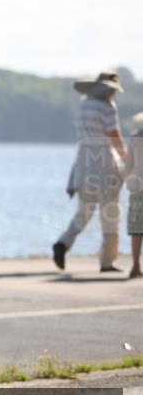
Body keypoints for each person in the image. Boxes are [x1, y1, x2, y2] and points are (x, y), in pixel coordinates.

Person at [53, 71, 129, 272]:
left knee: (84, 212)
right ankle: (107, 261)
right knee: (111, 214)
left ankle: (63, 243)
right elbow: (114, 135)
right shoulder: (107, 107)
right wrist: (126, 160)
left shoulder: (83, 104)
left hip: (83, 164)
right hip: (104, 164)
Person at [126, 112, 143, 279]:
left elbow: (129, 163)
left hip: (137, 184)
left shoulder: (134, 137)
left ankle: (135, 265)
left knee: (137, 228)